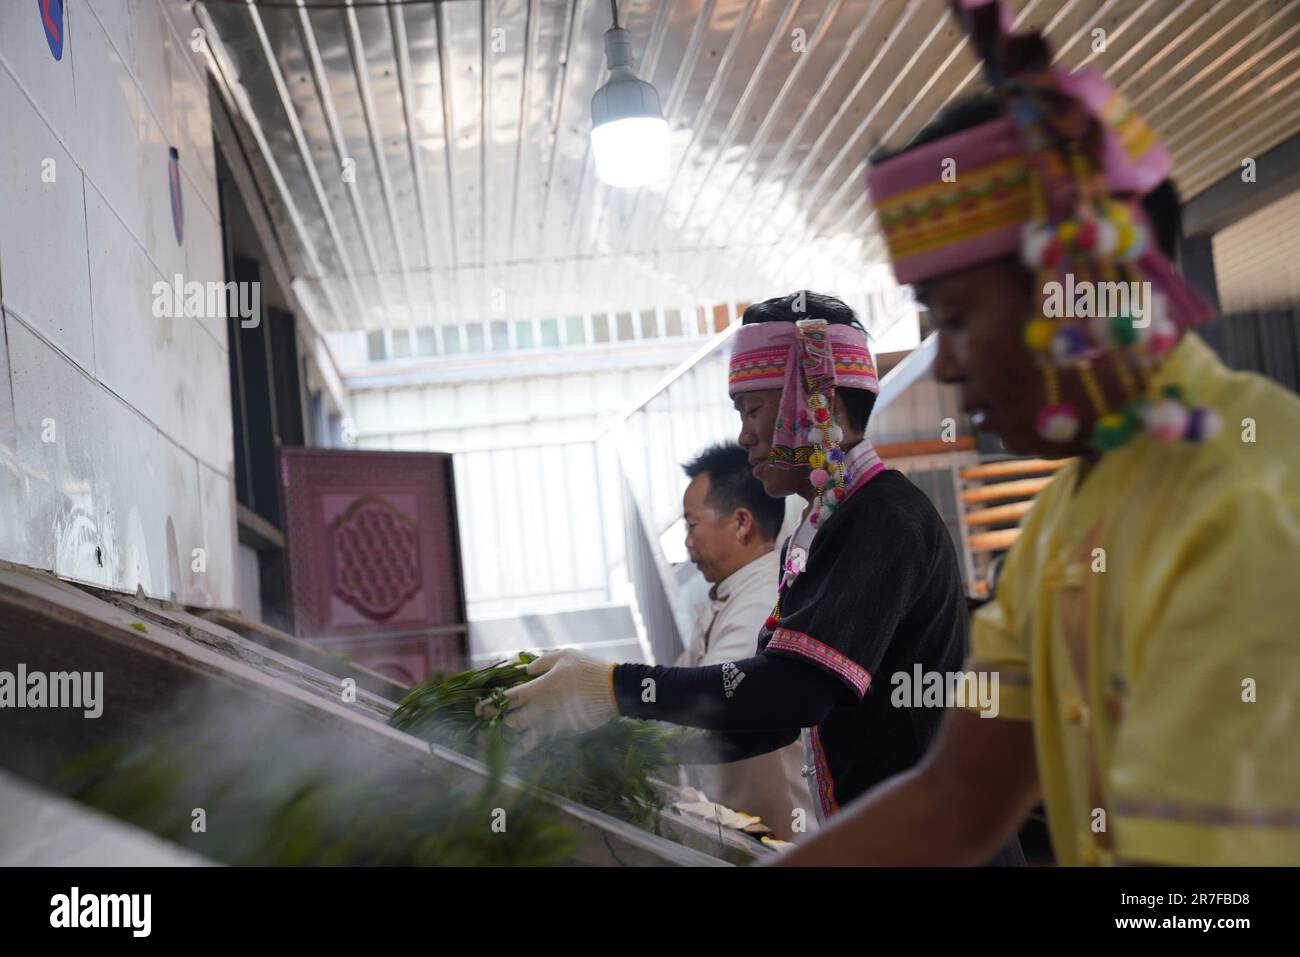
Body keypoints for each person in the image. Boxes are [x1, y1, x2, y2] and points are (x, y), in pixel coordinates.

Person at [776, 0, 1300, 866]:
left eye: (958, 319)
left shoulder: (1239, 504)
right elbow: (957, 797)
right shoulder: (1071, 518)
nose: (944, 368)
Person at [482, 291, 1023, 864]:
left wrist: (614, 686)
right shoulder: (825, 524)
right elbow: (764, 726)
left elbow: (793, 692)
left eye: (754, 410)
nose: (744, 436)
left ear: (814, 402)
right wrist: (615, 740)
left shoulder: (882, 517)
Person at [675, 442, 813, 840]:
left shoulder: (763, 601)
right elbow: (676, 677)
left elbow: (703, 700)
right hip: (745, 830)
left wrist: (604, 695)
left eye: (692, 524)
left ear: (741, 523)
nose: (687, 542)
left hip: (785, 838)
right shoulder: (729, 594)